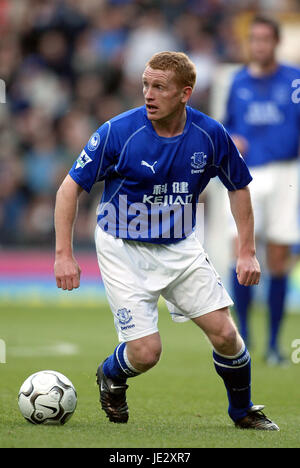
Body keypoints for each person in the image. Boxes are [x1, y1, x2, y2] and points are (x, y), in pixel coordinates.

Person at [54, 51, 279, 430]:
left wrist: (247, 252)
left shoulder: (210, 134)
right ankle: (111, 373)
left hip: (179, 246)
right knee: (146, 353)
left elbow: (239, 187)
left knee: (226, 334)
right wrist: (64, 255)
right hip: (122, 248)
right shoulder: (118, 132)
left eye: (160, 87)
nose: (148, 94)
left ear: (185, 93)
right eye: (145, 84)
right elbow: (68, 189)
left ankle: (242, 412)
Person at [224, 16, 300, 364]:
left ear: (276, 42)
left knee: (279, 257)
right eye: (254, 39)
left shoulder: (293, 80)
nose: (259, 45)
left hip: (286, 172)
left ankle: (272, 345)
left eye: (265, 39)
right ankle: (244, 340)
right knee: (242, 252)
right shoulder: (237, 80)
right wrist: (232, 139)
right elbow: (227, 126)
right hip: (247, 176)